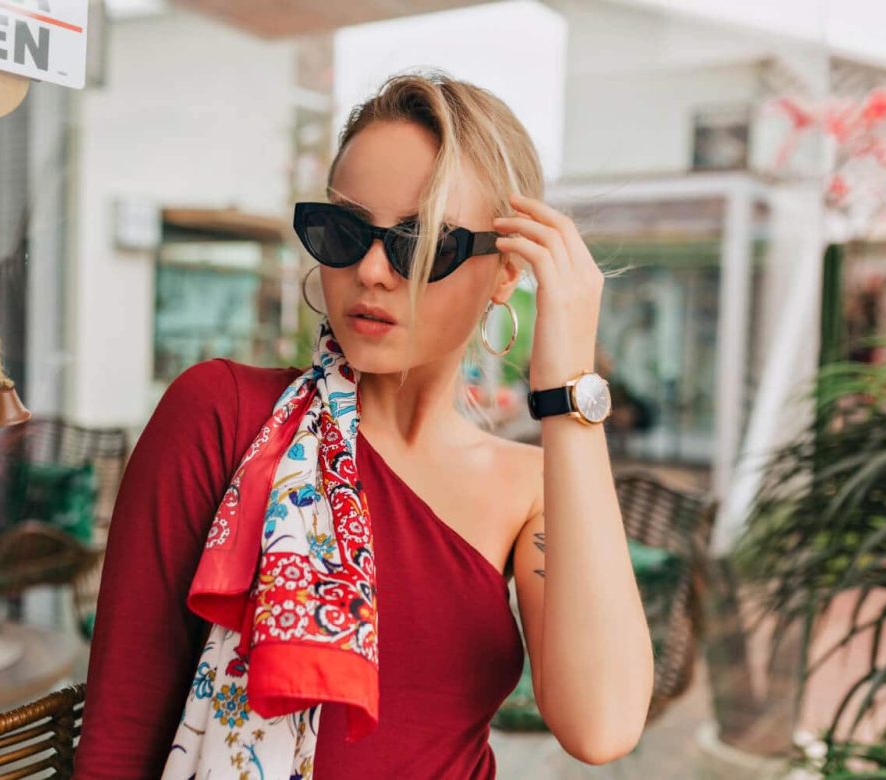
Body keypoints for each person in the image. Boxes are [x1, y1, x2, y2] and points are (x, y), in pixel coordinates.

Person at [73, 68, 654, 779]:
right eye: (345, 231)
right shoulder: (224, 416)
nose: (373, 270)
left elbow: (602, 724)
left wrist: (568, 391)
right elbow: (121, 736)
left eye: (421, 242)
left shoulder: (528, 485)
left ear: (505, 272)